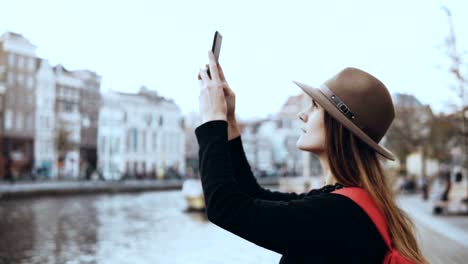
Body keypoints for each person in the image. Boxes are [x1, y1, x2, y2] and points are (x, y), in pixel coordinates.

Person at [195, 51, 427, 263]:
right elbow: (252, 195)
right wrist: (230, 123)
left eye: (315, 107)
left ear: (339, 127)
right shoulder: (348, 203)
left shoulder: (337, 215)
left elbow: (224, 207)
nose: (302, 115)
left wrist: (212, 118)